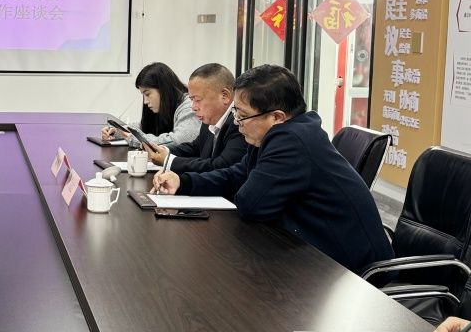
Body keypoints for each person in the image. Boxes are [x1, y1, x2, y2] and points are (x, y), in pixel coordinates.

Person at [151, 64, 392, 276]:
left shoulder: (292, 141)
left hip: (350, 273)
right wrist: (184, 181)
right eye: (235, 112)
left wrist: (237, 185)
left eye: (242, 115)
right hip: (311, 254)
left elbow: (251, 204)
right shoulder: (274, 133)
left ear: (277, 117)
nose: (236, 123)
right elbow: (237, 174)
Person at [142, 63, 248, 174]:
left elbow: (220, 167)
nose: (193, 108)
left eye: (197, 100)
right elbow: (195, 147)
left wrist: (169, 161)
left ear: (225, 96)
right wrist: (164, 150)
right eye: (192, 100)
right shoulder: (210, 119)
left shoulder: (240, 123)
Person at [101, 62, 199, 146]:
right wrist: (118, 131)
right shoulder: (166, 106)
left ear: (164, 89)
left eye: (147, 94)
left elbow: (178, 141)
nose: (145, 101)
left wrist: (135, 139)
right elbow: (144, 126)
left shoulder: (189, 107)